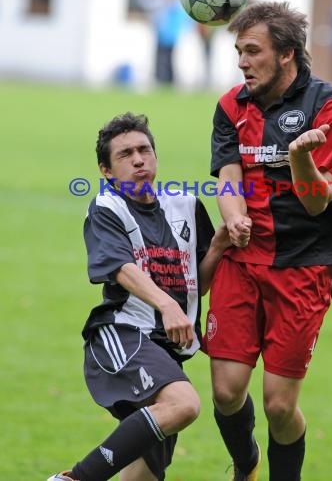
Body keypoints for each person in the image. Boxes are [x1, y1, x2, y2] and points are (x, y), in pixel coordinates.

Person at [204, 1, 332, 481]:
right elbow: (228, 175)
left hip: (303, 265)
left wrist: (300, 159)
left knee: (278, 405)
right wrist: (233, 217)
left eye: (253, 51)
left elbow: (317, 202)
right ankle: (246, 465)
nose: (242, 62)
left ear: (287, 53)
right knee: (227, 392)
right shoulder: (231, 105)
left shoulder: (331, 110)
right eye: (239, 52)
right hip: (242, 260)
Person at [48, 112, 230, 481]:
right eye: (125, 154)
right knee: (183, 404)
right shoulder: (107, 206)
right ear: (106, 171)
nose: (138, 159)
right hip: (122, 334)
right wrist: (165, 304)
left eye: (144, 150)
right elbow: (119, 267)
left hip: (165, 351)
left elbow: (194, 284)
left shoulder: (187, 206)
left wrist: (219, 247)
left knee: (143, 476)